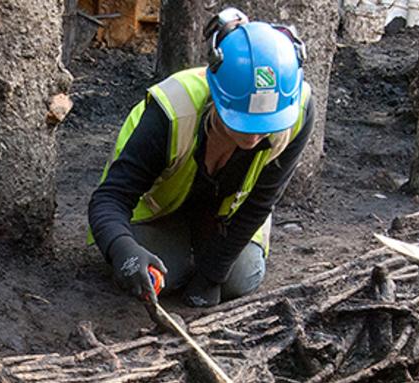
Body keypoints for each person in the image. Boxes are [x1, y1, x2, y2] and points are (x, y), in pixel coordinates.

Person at [87, 8, 315, 307]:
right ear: (219, 94)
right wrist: (122, 249)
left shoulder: (296, 110)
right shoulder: (170, 113)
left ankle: (201, 252)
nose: (255, 135)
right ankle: (177, 244)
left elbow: (260, 202)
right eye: (243, 120)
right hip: (158, 210)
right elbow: (109, 199)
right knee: (166, 274)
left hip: (225, 215)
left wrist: (211, 276)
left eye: (267, 123)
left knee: (240, 278)